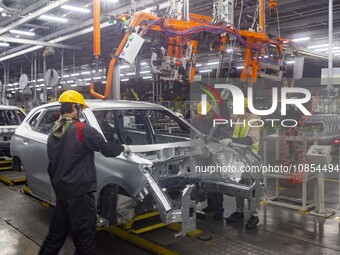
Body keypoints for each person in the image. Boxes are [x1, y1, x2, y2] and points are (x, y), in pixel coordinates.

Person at [39, 90, 130, 255]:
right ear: (74, 107)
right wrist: (124, 147)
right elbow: (107, 149)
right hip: (80, 195)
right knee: (85, 243)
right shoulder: (82, 130)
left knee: (54, 239)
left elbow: (52, 165)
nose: (81, 112)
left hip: (62, 194)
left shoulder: (53, 131)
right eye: (81, 109)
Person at [221, 97, 261, 229]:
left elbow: (251, 139)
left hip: (250, 158)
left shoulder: (254, 120)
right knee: (237, 184)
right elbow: (226, 121)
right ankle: (239, 211)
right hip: (238, 158)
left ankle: (254, 215)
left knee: (250, 187)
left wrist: (231, 140)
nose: (233, 110)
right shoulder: (238, 119)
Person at [190, 101, 229, 220]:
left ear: (211, 111)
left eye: (207, 115)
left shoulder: (219, 120)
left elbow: (224, 135)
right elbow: (189, 131)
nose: (205, 117)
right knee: (204, 180)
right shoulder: (196, 119)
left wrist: (213, 141)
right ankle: (211, 205)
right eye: (203, 116)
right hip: (200, 155)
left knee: (216, 181)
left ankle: (219, 209)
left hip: (215, 154)